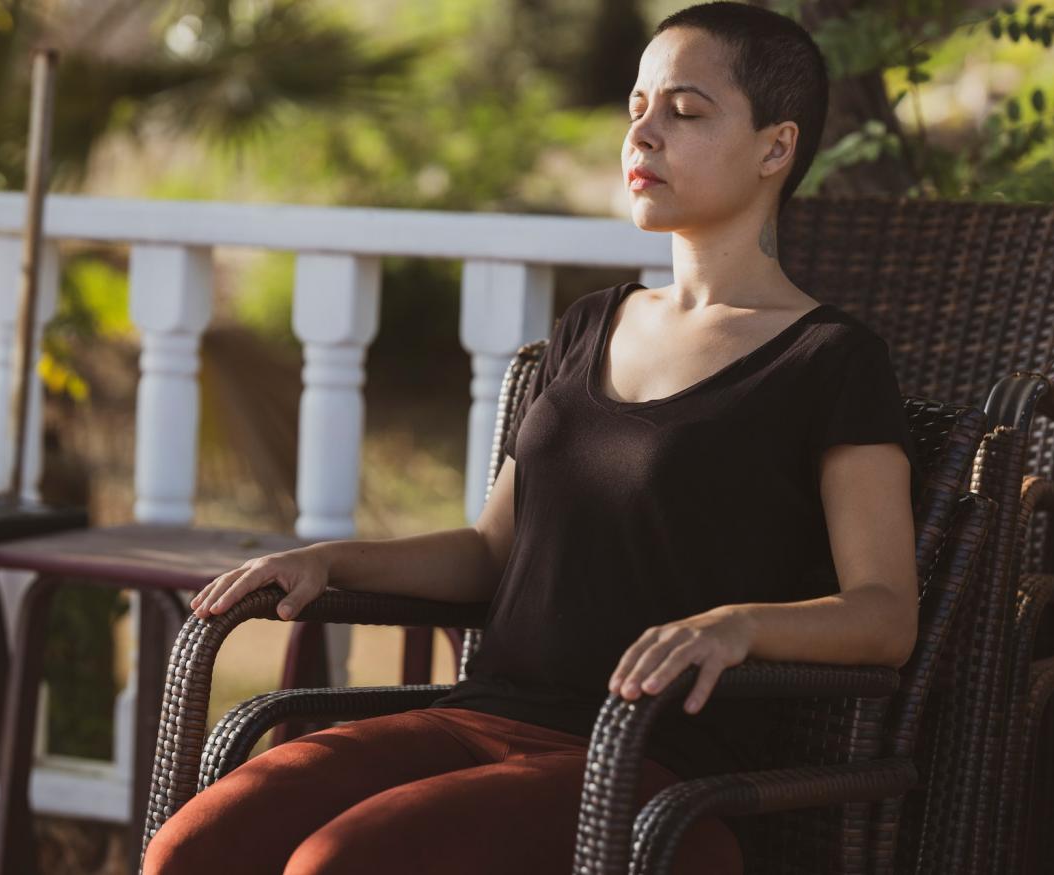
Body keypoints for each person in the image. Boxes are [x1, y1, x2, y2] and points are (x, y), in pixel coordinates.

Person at [143, 2, 922, 873]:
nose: (644, 135)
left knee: (341, 864)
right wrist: (333, 559)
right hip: (479, 718)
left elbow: (885, 613)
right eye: (637, 109)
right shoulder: (590, 325)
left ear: (777, 147)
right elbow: (491, 552)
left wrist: (738, 626)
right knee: (193, 847)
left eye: (686, 111)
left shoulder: (829, 360)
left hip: (653, 764)